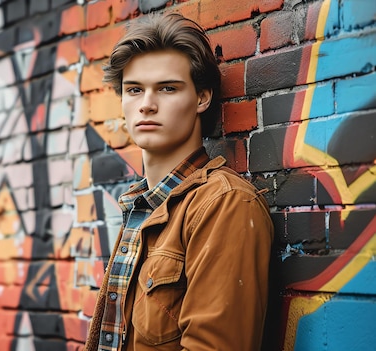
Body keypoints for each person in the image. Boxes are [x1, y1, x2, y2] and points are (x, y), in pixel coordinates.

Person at [84, 13, 274, 351]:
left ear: (201, 98)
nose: (146, 105)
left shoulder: (223, 203)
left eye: (167, 88)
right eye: (134, 90)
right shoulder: (142, 206)